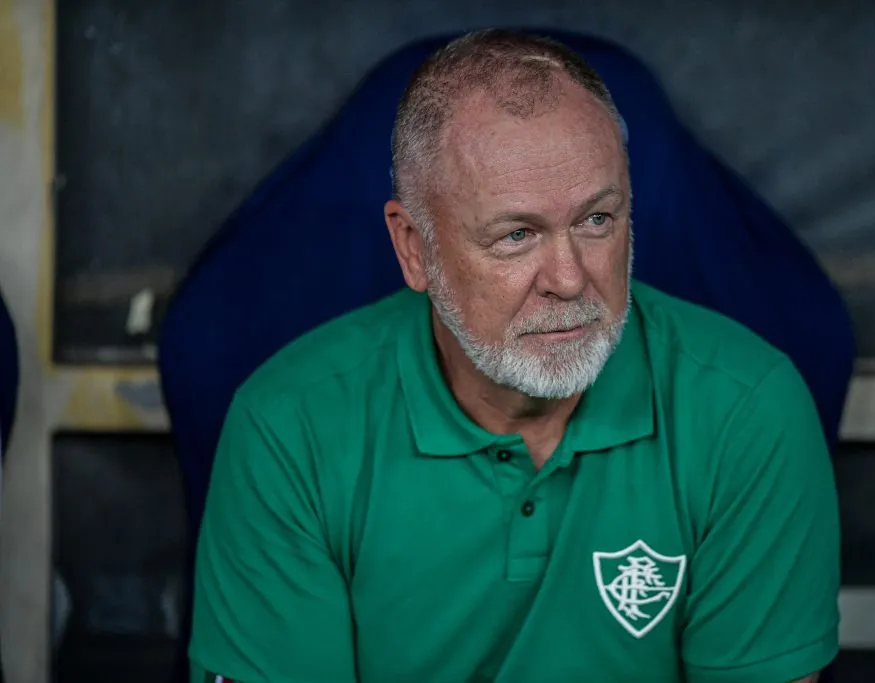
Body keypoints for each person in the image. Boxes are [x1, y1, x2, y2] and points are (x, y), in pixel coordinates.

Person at [189, 29, 840, 683]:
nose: (568, 276)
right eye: (516, 234)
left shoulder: (747, 410)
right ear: (414, 248)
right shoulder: (287, 429)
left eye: (597, 220)